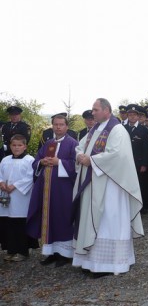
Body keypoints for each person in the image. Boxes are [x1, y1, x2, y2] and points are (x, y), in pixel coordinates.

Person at [72, 98, 144, 277]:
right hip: (93, 182)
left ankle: (108, 264)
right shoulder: (95, 129)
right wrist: (81, 155)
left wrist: (92, 160)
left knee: (108, 220)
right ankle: (90, 261)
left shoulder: (117, 129)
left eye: (95, 109)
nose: (93, 113)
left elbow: (117, 155)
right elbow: (80, 147)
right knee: (92, 219)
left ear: (106, 110)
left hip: (111, 185)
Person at [27, 114, 78, 267]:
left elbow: (77, 165)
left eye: (61, 124)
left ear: (66, 126)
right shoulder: (48, 143)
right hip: (46, 189)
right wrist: (41, 162)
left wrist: (59, 162)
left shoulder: (73, 144)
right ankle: (50, 252)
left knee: (62, 217)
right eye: (55, 124)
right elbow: (36, 161)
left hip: (63, 190)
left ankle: (65, 254)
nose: (58, 127)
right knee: (48, 217)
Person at [0, 134, 37, 262]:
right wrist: (1, 183)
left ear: (25, 146)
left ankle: (22, 251)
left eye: (19, 145)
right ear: (10, 146)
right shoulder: (5, 160)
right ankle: (10, 250)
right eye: (14, 145)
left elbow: (29, 177)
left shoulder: (29, 160)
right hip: (6, 196)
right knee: (8, 224)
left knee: (19, 224)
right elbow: (0, 173)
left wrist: (14, 186)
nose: (16, 148)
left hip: (21, 197)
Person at [124, 105, 148, 214]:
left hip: (138, 163)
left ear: (138, 116)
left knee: (140, 185)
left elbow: (146, 149)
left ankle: (142, 207)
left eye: (134, 115)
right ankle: (128, 206)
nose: (132, 117)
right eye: (130, 115)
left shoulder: (143, 130)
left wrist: (144, 164)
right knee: (127, 185)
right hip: (125, 163)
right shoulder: (123, 129)